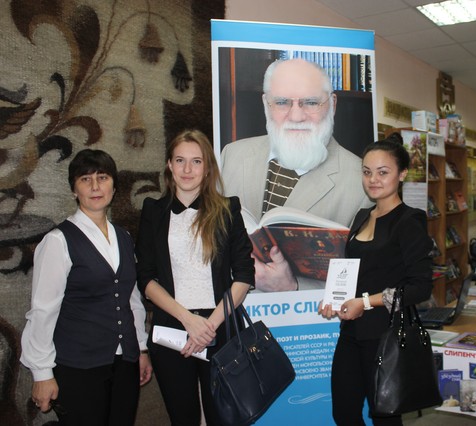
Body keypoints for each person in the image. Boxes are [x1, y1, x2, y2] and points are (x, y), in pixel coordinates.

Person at [20, 149, 152, 425]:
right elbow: (43, 311)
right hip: (78, 365)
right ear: (74, 190)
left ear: (113, 187)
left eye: (102, 178)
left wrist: (140, 348)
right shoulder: (58, 241)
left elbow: (132, 299)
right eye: (85, 179)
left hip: (125, 362)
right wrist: (42, 373)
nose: (95, 186)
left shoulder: (124, 238)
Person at [135, 130, 255, 425]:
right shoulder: (153, 211)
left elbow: (243, 275)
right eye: (180, 160)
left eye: (196, 161)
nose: (187, 169)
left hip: (220, 328)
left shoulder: (228, 209)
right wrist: (188, 320)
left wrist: (208, 326)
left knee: (224, 418)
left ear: (208, 167)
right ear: (169, 165)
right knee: (183, 418)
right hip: (171, 330)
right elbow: (146, 279)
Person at [220, 58, 371, 291]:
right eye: (282, 102)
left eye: (310, 102)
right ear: (266, 104)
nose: (296, 116)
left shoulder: (361, 183)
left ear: (332, 104)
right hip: (227, 310)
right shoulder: (232, 155)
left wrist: (293, 286)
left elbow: (366, 280)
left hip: (304, 314)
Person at [319, 133, 434, 425]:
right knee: (344, 413)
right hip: (351, 332)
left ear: (402, 174)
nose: (373, 180)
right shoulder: (361, 216)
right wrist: (334, 299)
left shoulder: (410, 221)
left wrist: (366, 302)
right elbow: (355, 271)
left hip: (386, 336)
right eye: (367, 172)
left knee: (385, 417)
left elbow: (420, 287)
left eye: (383, 172)